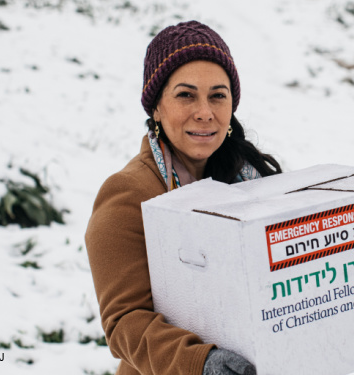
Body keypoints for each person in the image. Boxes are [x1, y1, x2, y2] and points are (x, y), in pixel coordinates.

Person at [85, 20, 280, 375]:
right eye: (186, 94)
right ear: (156, 107)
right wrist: (200, 363)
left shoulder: (251, 182)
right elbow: (124, 322)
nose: (205, 111)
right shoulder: (129, 194)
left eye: (218, 95)